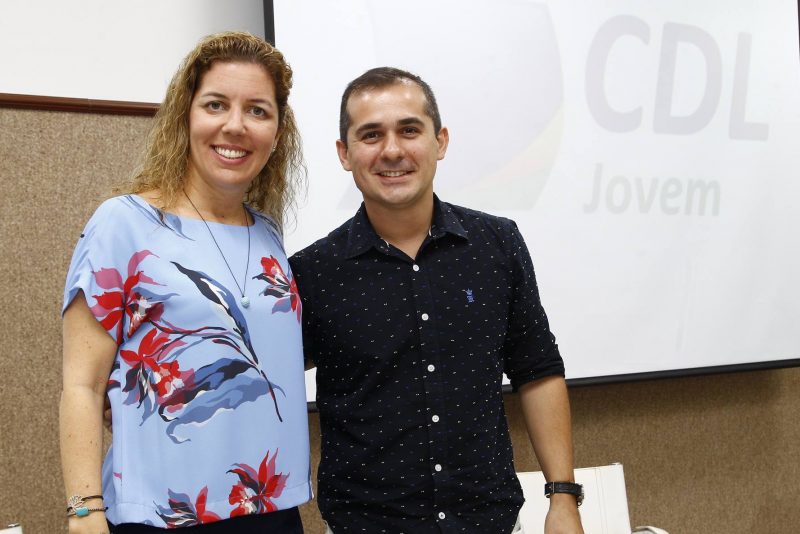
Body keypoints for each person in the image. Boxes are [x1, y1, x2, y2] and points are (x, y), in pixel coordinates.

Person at [290, 67, 585, 533]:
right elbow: (269, 389)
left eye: (409, 130)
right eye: (371, 135)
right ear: (345, 153)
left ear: (440, 142)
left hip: (488, 522)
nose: (392, 150)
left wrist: (563, 497)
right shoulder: (311, 272)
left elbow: (538, 371)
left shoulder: (497, 244)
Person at [60, 32, 310, 534]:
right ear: (185, 116)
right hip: (161, 515)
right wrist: (83, 512)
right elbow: (81, 386)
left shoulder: (268, 235)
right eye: (216, 104)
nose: (235, 125)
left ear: (277, 132)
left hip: (271, 511)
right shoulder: (124, 224)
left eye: (257, 111)